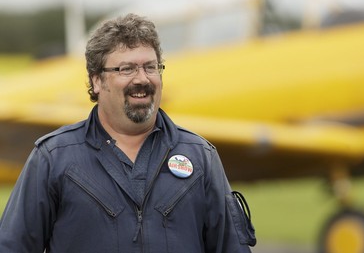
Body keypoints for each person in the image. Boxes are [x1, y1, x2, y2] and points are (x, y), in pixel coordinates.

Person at [0, 13, 256, 252]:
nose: (142, 79)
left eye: (151, 67)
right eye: (127, 69)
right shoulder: (53, 158)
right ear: (97, 81)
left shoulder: (200, 157)